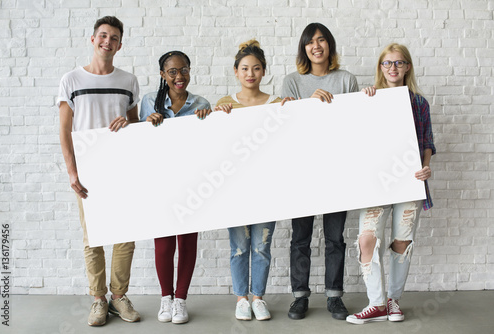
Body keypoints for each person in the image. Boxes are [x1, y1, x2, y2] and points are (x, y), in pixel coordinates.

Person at [58, 16, 141, 326]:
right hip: (88, 171)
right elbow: (65, 131)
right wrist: (72, 173)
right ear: (92, 39)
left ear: (120, 45)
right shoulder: (71, 80)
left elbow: (135, 126)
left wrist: (128, 123)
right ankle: (98, 300)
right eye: (103, 35)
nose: (108, 41)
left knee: (125, 237)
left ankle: (119, 297)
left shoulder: (128, 81)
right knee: (93, 237)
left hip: (122, 169)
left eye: (114, 37)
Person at [346, 43, 435, 325]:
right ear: (380, 68)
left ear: (407, 67)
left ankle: (393, 301)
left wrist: (426, 167)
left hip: (409, 182)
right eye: (387, 63)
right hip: (376, 183)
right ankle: (375, 304)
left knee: (401, 242)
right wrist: (364, 103)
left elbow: (427, 143)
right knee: (367, 239)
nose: (393, 68)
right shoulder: (369, 99)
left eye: (398, 63)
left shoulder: (419, 103)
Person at [281, 22, 359, 321]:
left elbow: (353, 124)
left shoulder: (346, 80)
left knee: (335, 238)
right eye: (310, 42)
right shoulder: (292, 81)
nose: (316, 46)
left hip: (336, 171)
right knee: (300, 238)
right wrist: (307, 106)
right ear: (303, 48)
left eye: (322, 40)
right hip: (301, 172)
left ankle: (334, 297)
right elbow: (286, 128)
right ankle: (300, 296)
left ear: (330, 46)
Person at [140, 50, 211, 325]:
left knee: (188, 241)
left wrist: (209, 119)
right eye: (172, 72)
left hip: (193, 183)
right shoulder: (149, 102)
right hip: (161, 182)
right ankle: (165, 298)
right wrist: (146, 124)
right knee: (164, 244)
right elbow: (138, 143)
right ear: (162, 75)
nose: (179, 77)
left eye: (184, 70)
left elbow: (212, 145)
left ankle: (181, 299)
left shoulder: (201, 103)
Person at [215, 39, 282, 321]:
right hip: (235, 190)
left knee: (261, 247)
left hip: (267, 188)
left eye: (256, 68)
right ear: (236, 71)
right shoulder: (224, 104)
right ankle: (242, 298)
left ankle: (258, 298)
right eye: (245, 68)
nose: (250, 73)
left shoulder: (277, 103)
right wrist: (217, 119)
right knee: (240, 248)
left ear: (264, 71)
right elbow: (216, 147)